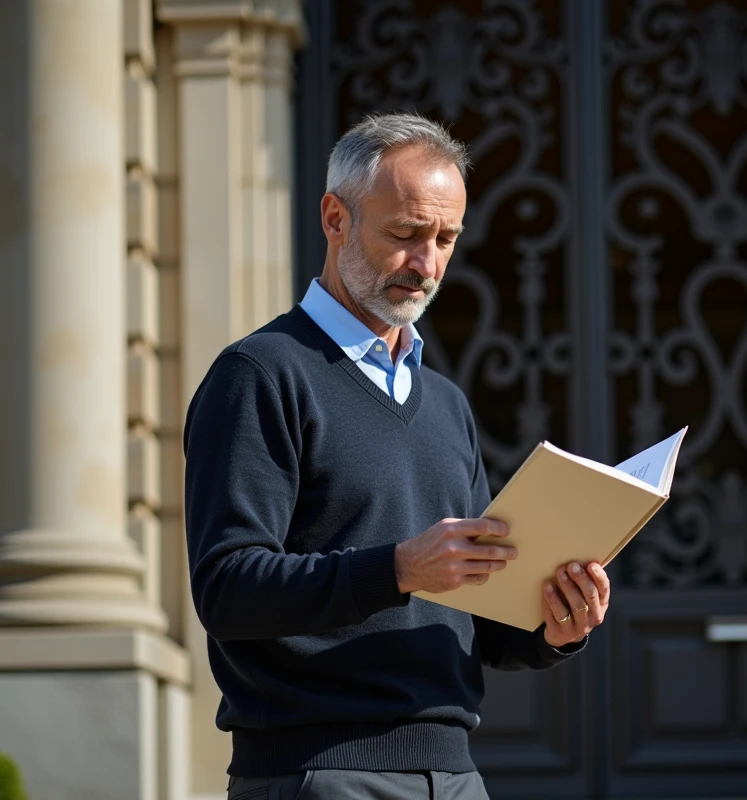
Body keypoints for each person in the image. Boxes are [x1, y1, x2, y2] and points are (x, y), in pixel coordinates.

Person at [183, 112, 611, 800]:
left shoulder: (445, 403)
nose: (428, 264)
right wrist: (399, 568)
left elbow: (483, 622)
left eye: (446, 238)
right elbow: (228, 589)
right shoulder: (260, 375)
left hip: (455, 773)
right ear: (334, 219)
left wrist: (555, 625)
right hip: (319, 773)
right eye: (405, 235)